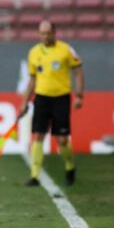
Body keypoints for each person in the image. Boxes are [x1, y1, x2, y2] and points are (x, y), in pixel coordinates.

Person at [18, 21, 85, 187]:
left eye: (48, 33)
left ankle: (70, 166)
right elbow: (32, 80)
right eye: (42, 33)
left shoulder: (66, 50)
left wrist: (79, 95)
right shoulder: (33, 52)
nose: (45, 36)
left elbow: (78, 72)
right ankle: (35, 175)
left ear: (54, 32)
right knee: (38, 135)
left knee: (62, 139)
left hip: (61, 99)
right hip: (41, 98)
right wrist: (24, 102)